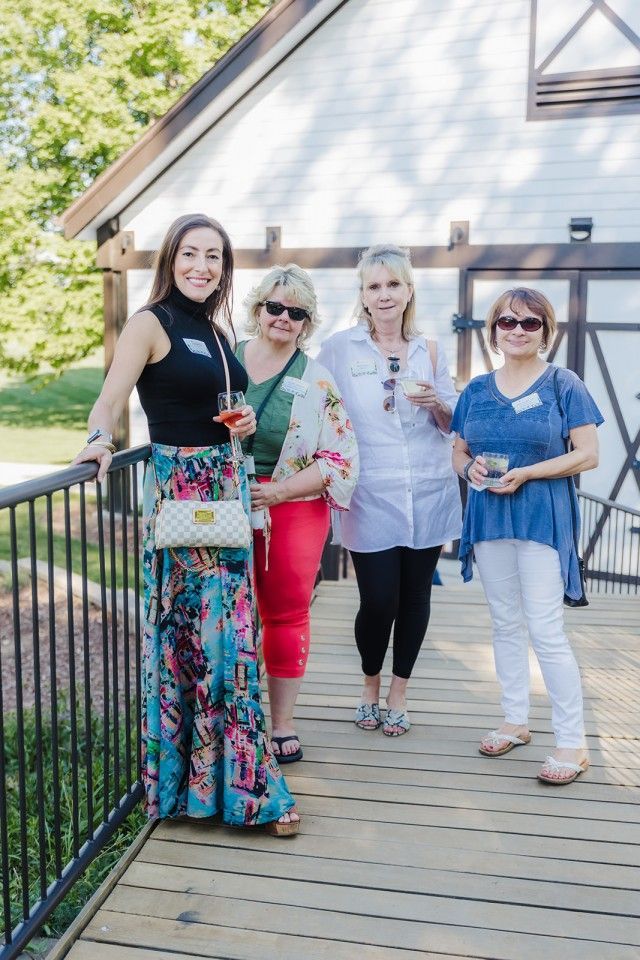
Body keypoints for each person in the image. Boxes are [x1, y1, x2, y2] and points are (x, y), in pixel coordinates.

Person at [73, 213, 299, 834]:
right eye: (191, 254)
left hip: (223, 490)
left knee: (230, 642)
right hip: (181, 496)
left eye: (215, 257)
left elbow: (220, 408)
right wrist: (97, 441)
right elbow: (110, 397)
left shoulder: (217, 330)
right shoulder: (150, 322)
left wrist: (243, 424)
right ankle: (215, 793)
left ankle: (230, 789)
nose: (202, 266)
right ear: (170, 259)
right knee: (196, 643)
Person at [451, 287, 602, 785]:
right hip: (490, 515)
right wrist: (469, 467)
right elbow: (459, 451)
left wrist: (531, 473)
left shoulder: (564, 383)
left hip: (540, 516)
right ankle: (515, 719)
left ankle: (572, 741)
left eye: (530, 323)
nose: (517, 330)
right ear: (493, 329)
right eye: (507, 321)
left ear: (545, 331)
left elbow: (588, 453)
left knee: (546, 628)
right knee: (504, 622)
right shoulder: (475, 390)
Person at [318, 244, 461, 736]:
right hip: (369, 493)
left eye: (393, 284)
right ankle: (370, 684)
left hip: (427, 488)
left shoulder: (431, 349)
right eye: (374, 286)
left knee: (417, 595)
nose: (384, 295)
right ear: (362, 294)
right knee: (378, 600)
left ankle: (399, 693)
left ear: (409, 290)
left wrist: (437, 402)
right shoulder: (339, 350)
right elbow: (319, 411)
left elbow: (451, 424)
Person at [237, 264, 358, 763]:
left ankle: (282, 723)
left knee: (285, 613)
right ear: (258, 309)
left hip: (293, 508)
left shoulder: (317, 379)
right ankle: (232, 721)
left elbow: (341, 457)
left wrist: (280, 490)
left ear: (307, 323)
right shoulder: (225, 360)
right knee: (226, 614)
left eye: (296, 312)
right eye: (275, 307)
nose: (283, 318)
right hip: (224, 503)